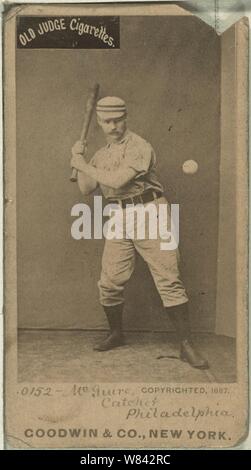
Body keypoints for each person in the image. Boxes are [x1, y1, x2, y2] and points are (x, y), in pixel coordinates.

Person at [71, 96, 209, 370]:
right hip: (118, 215)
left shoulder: (139, 146)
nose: (113, 126)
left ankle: (186, 345)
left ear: (126, 118)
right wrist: (79, 158)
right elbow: (87, 189)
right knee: (109, 282)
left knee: (169, 279)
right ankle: (117, 333)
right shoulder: (101, 154)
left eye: (118, 120)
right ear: (99, 123)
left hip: (150, 211)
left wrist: (84, 164)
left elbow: (118, 180)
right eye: (107, 122)